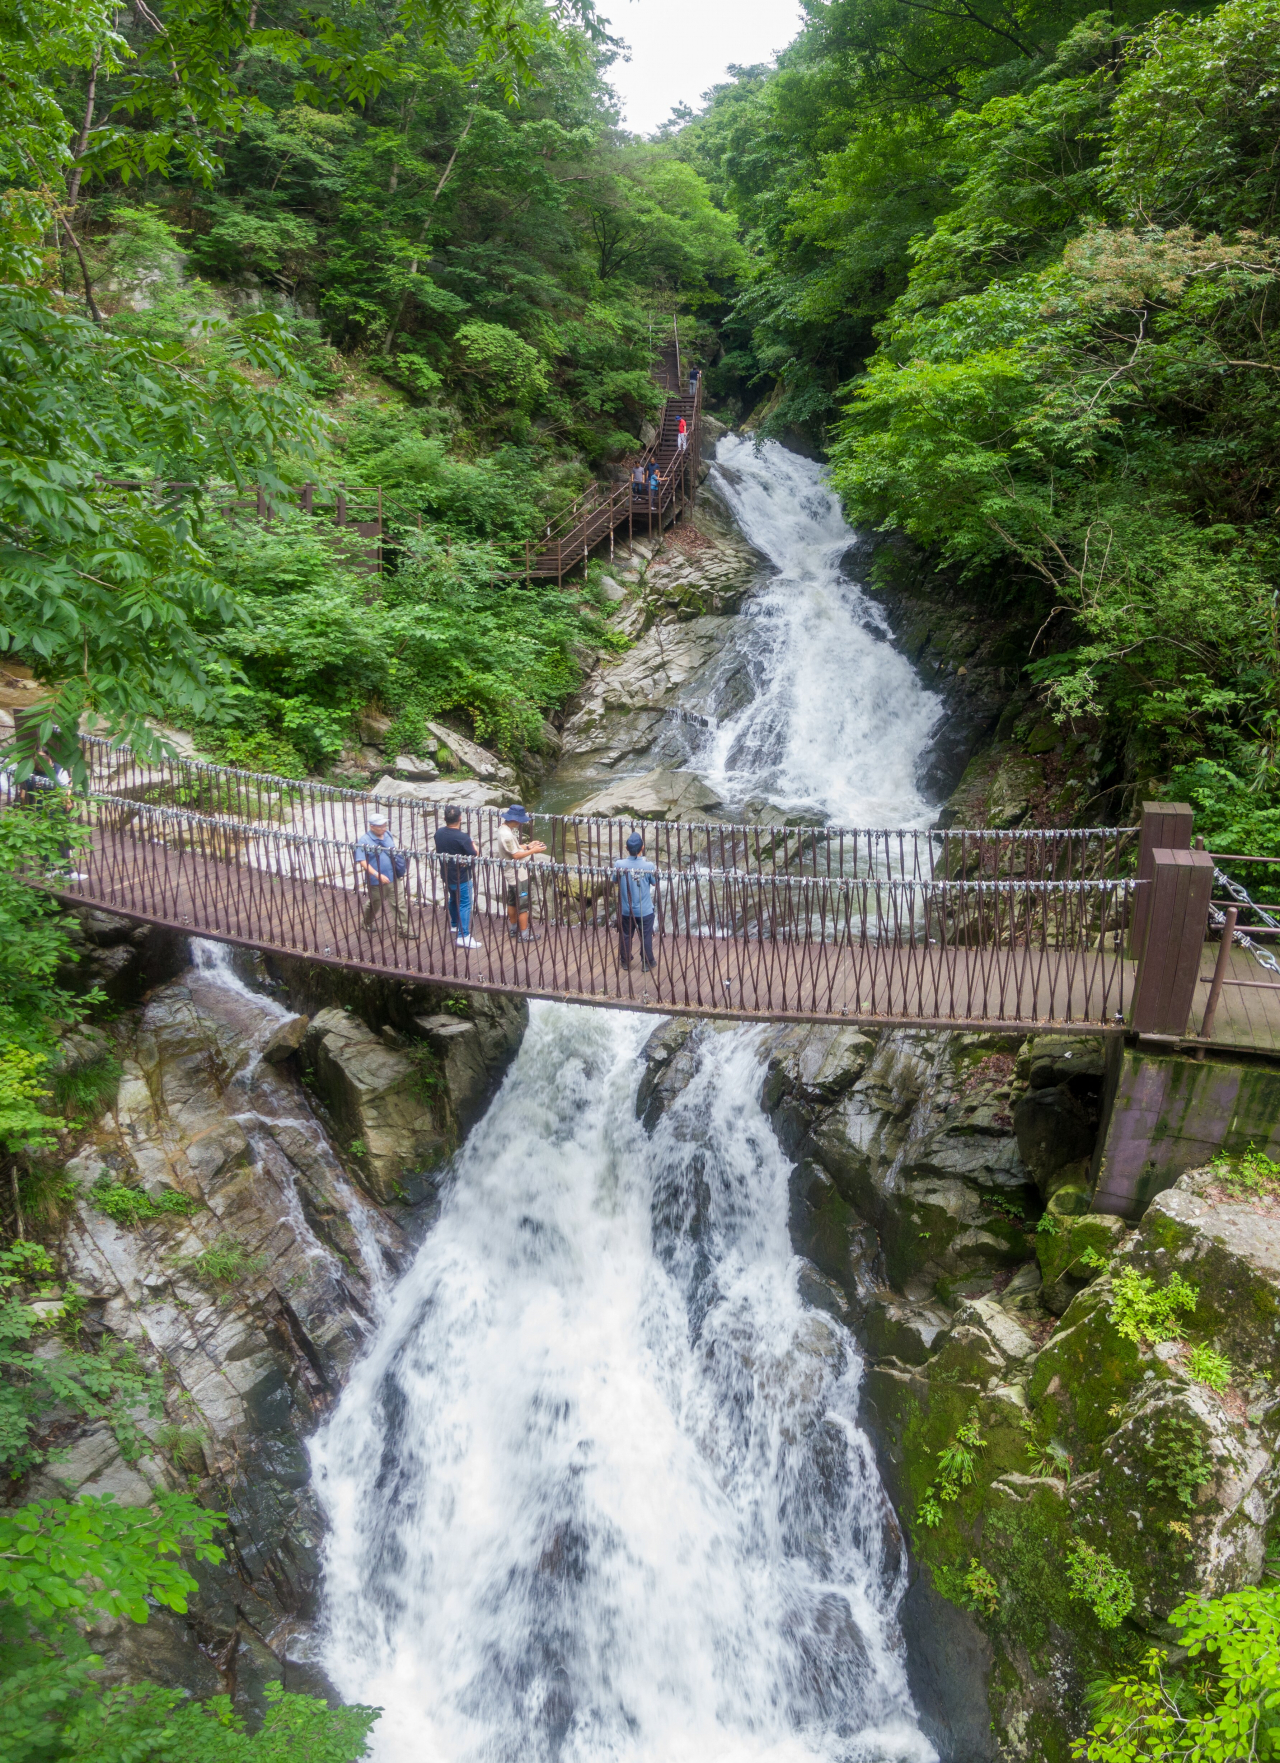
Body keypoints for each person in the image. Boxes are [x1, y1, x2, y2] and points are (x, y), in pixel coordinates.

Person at [354, 809, 411, 934]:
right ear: (372, 827)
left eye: (385, 825)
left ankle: (404, 930)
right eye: (380, 826)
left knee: (399, 903)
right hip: (376, 881)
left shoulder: (388, 834)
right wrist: (377, 875)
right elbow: (362, 861)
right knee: (375, 903)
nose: (383, 828)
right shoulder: (364, 841)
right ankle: (367, 922)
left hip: (393, 877)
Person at [497, 805, 546, 941]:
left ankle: (514, 929)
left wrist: (529, 846)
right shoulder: (507, 835)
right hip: (517, 874)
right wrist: (533, 851)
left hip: (511, 873)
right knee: (523, 905)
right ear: (516, 820)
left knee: (512, 902)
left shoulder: (504, 829)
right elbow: (516, 855)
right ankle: (524, 935)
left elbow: (515, 848)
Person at [434, 805, 481, 948]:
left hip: (446, 873)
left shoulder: (438, 833)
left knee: (453, 898)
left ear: (444, 818)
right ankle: (463, 935)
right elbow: (474, 855)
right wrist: (472, 843)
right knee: (465, 903)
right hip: (461, 876)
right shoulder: (463, 838)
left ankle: (454, 924)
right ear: (460, 818)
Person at [614, 829, 657, 970]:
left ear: (626, 848)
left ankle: (625, 961)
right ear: (642, 848)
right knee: (646, 936)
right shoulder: (648, 866)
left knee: (626, 935)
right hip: (645, 911)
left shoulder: (619, 865)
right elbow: (654, 882)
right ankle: (647, 962)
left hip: (626, 910)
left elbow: (615, 880)